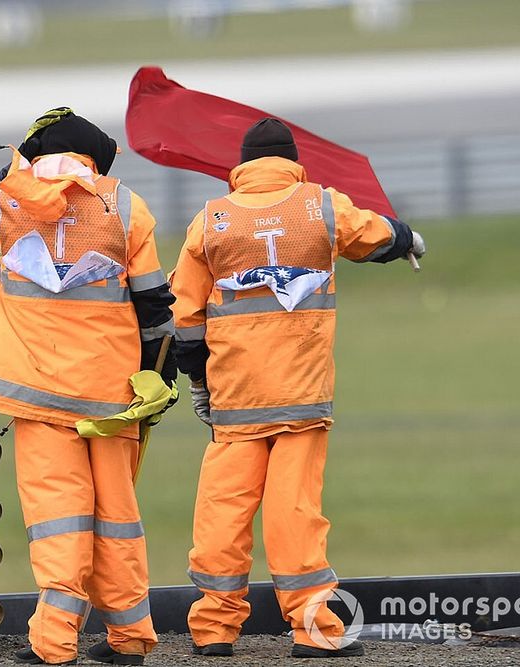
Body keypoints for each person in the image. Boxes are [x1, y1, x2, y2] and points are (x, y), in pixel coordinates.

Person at [172, 118, 426, 659]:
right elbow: (372, 236)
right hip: (301, 399)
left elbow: (186, 316)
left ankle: (213, 631)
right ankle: (314, 629)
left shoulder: (211, 219)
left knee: (222, 513)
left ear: (242, 167)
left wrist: (199, 382)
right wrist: (406, 237)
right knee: (295, 515)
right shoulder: (320, 205)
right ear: (291, 161)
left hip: (234, 402)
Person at [0, 108, 176, 665]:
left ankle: (55, 643)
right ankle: (131, 637)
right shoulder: (124, 206)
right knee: (117, 516)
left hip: (40, 397)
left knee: (58, 519)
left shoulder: (5, 204)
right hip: (114, 398)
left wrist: (24, 164)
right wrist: (156, 379)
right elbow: (154, 306)